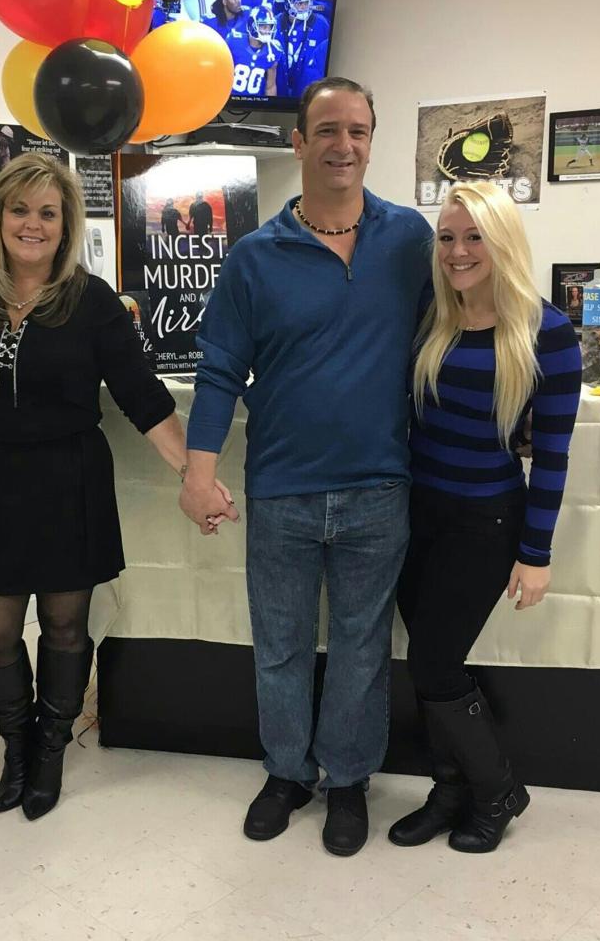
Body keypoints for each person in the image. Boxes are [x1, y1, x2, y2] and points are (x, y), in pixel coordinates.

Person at [179, 77, 433, 857]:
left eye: (357, 130)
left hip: (378, 487)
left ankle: (348, 780)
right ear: (298, 142)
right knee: (281, 645)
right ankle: (288, 773)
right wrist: (196, 472)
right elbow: (220, 370)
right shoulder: (256, 258)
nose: (342, 145)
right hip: (283, 488)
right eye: (326, 130)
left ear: (370, 140)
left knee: (361, 647)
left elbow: (459, 327)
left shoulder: (410, 240)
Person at [0, 153, 233, 822]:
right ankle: (15, 744)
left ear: (66, 223)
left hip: (70, 479)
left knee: (66, 626)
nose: (32, 224)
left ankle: (49, 748)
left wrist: (196, 476)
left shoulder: (92, 300)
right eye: (20, 209)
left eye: (48, 212)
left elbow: (141, 397)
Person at [388, 181, 582, 854]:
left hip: (485, 523)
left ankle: (497, 788)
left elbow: (550, 458)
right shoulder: (429, 314)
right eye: (446, 237)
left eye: (473, 237)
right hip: (417, 513)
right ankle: (449, 792)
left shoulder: (545, 332)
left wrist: (535, 553)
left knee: (437, 662)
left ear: (501, 242)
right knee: (423, 661)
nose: (457, 251)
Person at [227, 6, 285, 99]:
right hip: (229, 99)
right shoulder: (233, 41)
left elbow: (270, 87)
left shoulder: (273, 51)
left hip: (255, 102)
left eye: (270, 27)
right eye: (263, 26)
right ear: (252, 25)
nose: (267, 31)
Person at [277, 0, 331, 96]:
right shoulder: (275, 22)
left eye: (306, 3)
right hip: (278, 88)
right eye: (299, 3)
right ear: (288, 4)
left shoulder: (321, 24)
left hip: (307, 91)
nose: (303, 7)